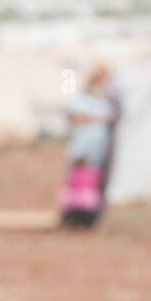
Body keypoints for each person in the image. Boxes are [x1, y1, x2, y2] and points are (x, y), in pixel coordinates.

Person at [58, 63, 119, 228]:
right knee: (79, 180)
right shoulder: (82, 99)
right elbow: (74, 116)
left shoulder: (104, 100)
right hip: (82, 147)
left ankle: (87, 216)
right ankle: (73, 216)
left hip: (96, 148)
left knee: (90, 181)